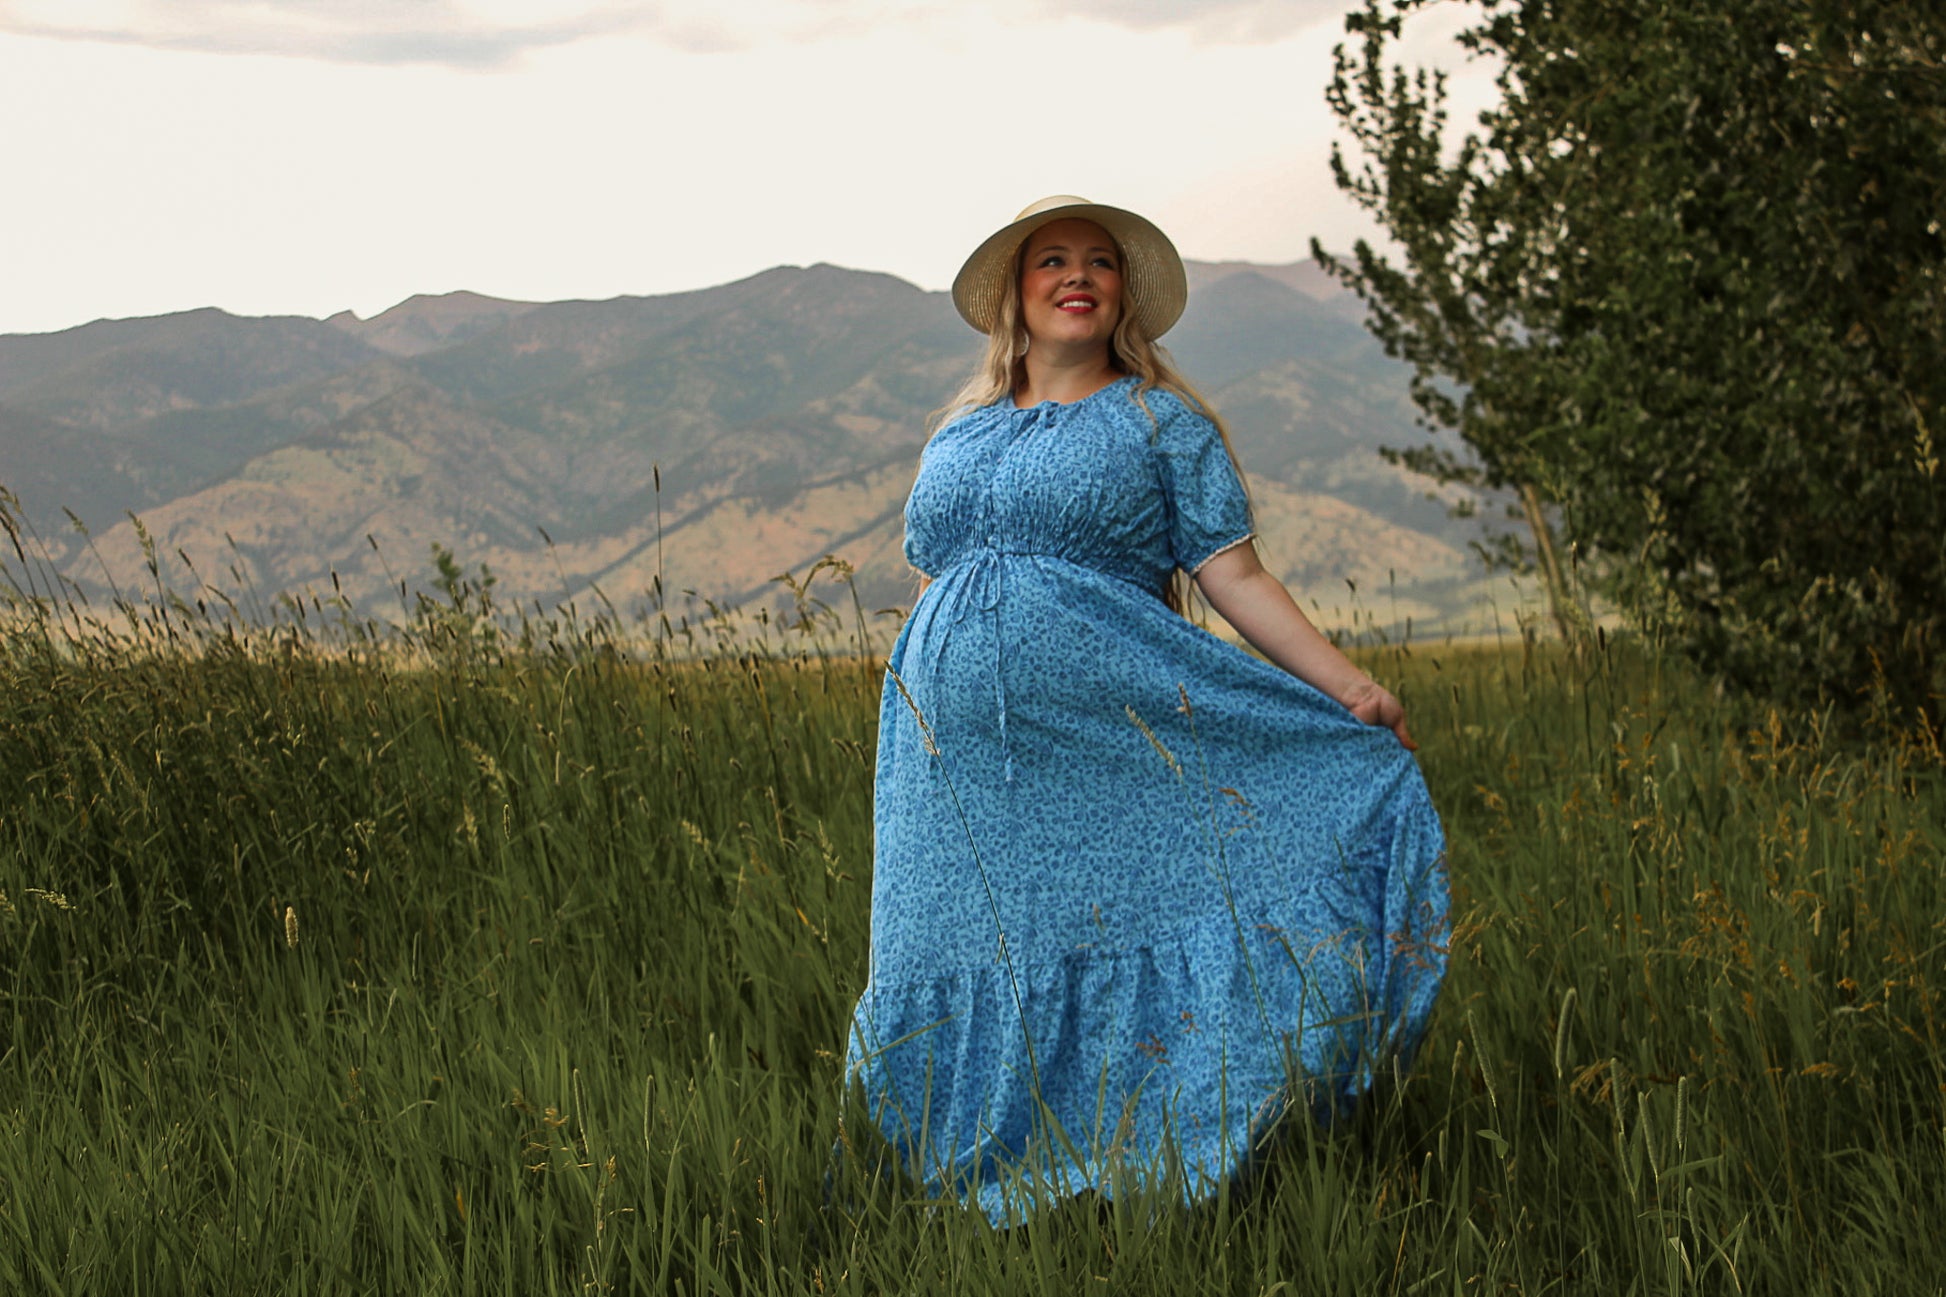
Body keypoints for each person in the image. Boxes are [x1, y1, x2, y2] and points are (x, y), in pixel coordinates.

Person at [844, 196, 1447, 1224]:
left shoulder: (1159, 423)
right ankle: (944, 1169)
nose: (1075, 276)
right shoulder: (961, 430)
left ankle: (1143, 1152)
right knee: (949, 941)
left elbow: (1234, 574)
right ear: (1014, 294)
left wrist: (1346, 688)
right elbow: (942, 578)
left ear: (1121, 295)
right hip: (948, 757)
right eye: (1050, 260)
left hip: (1107, 729)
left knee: (1121, 920)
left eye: (1098, 263)